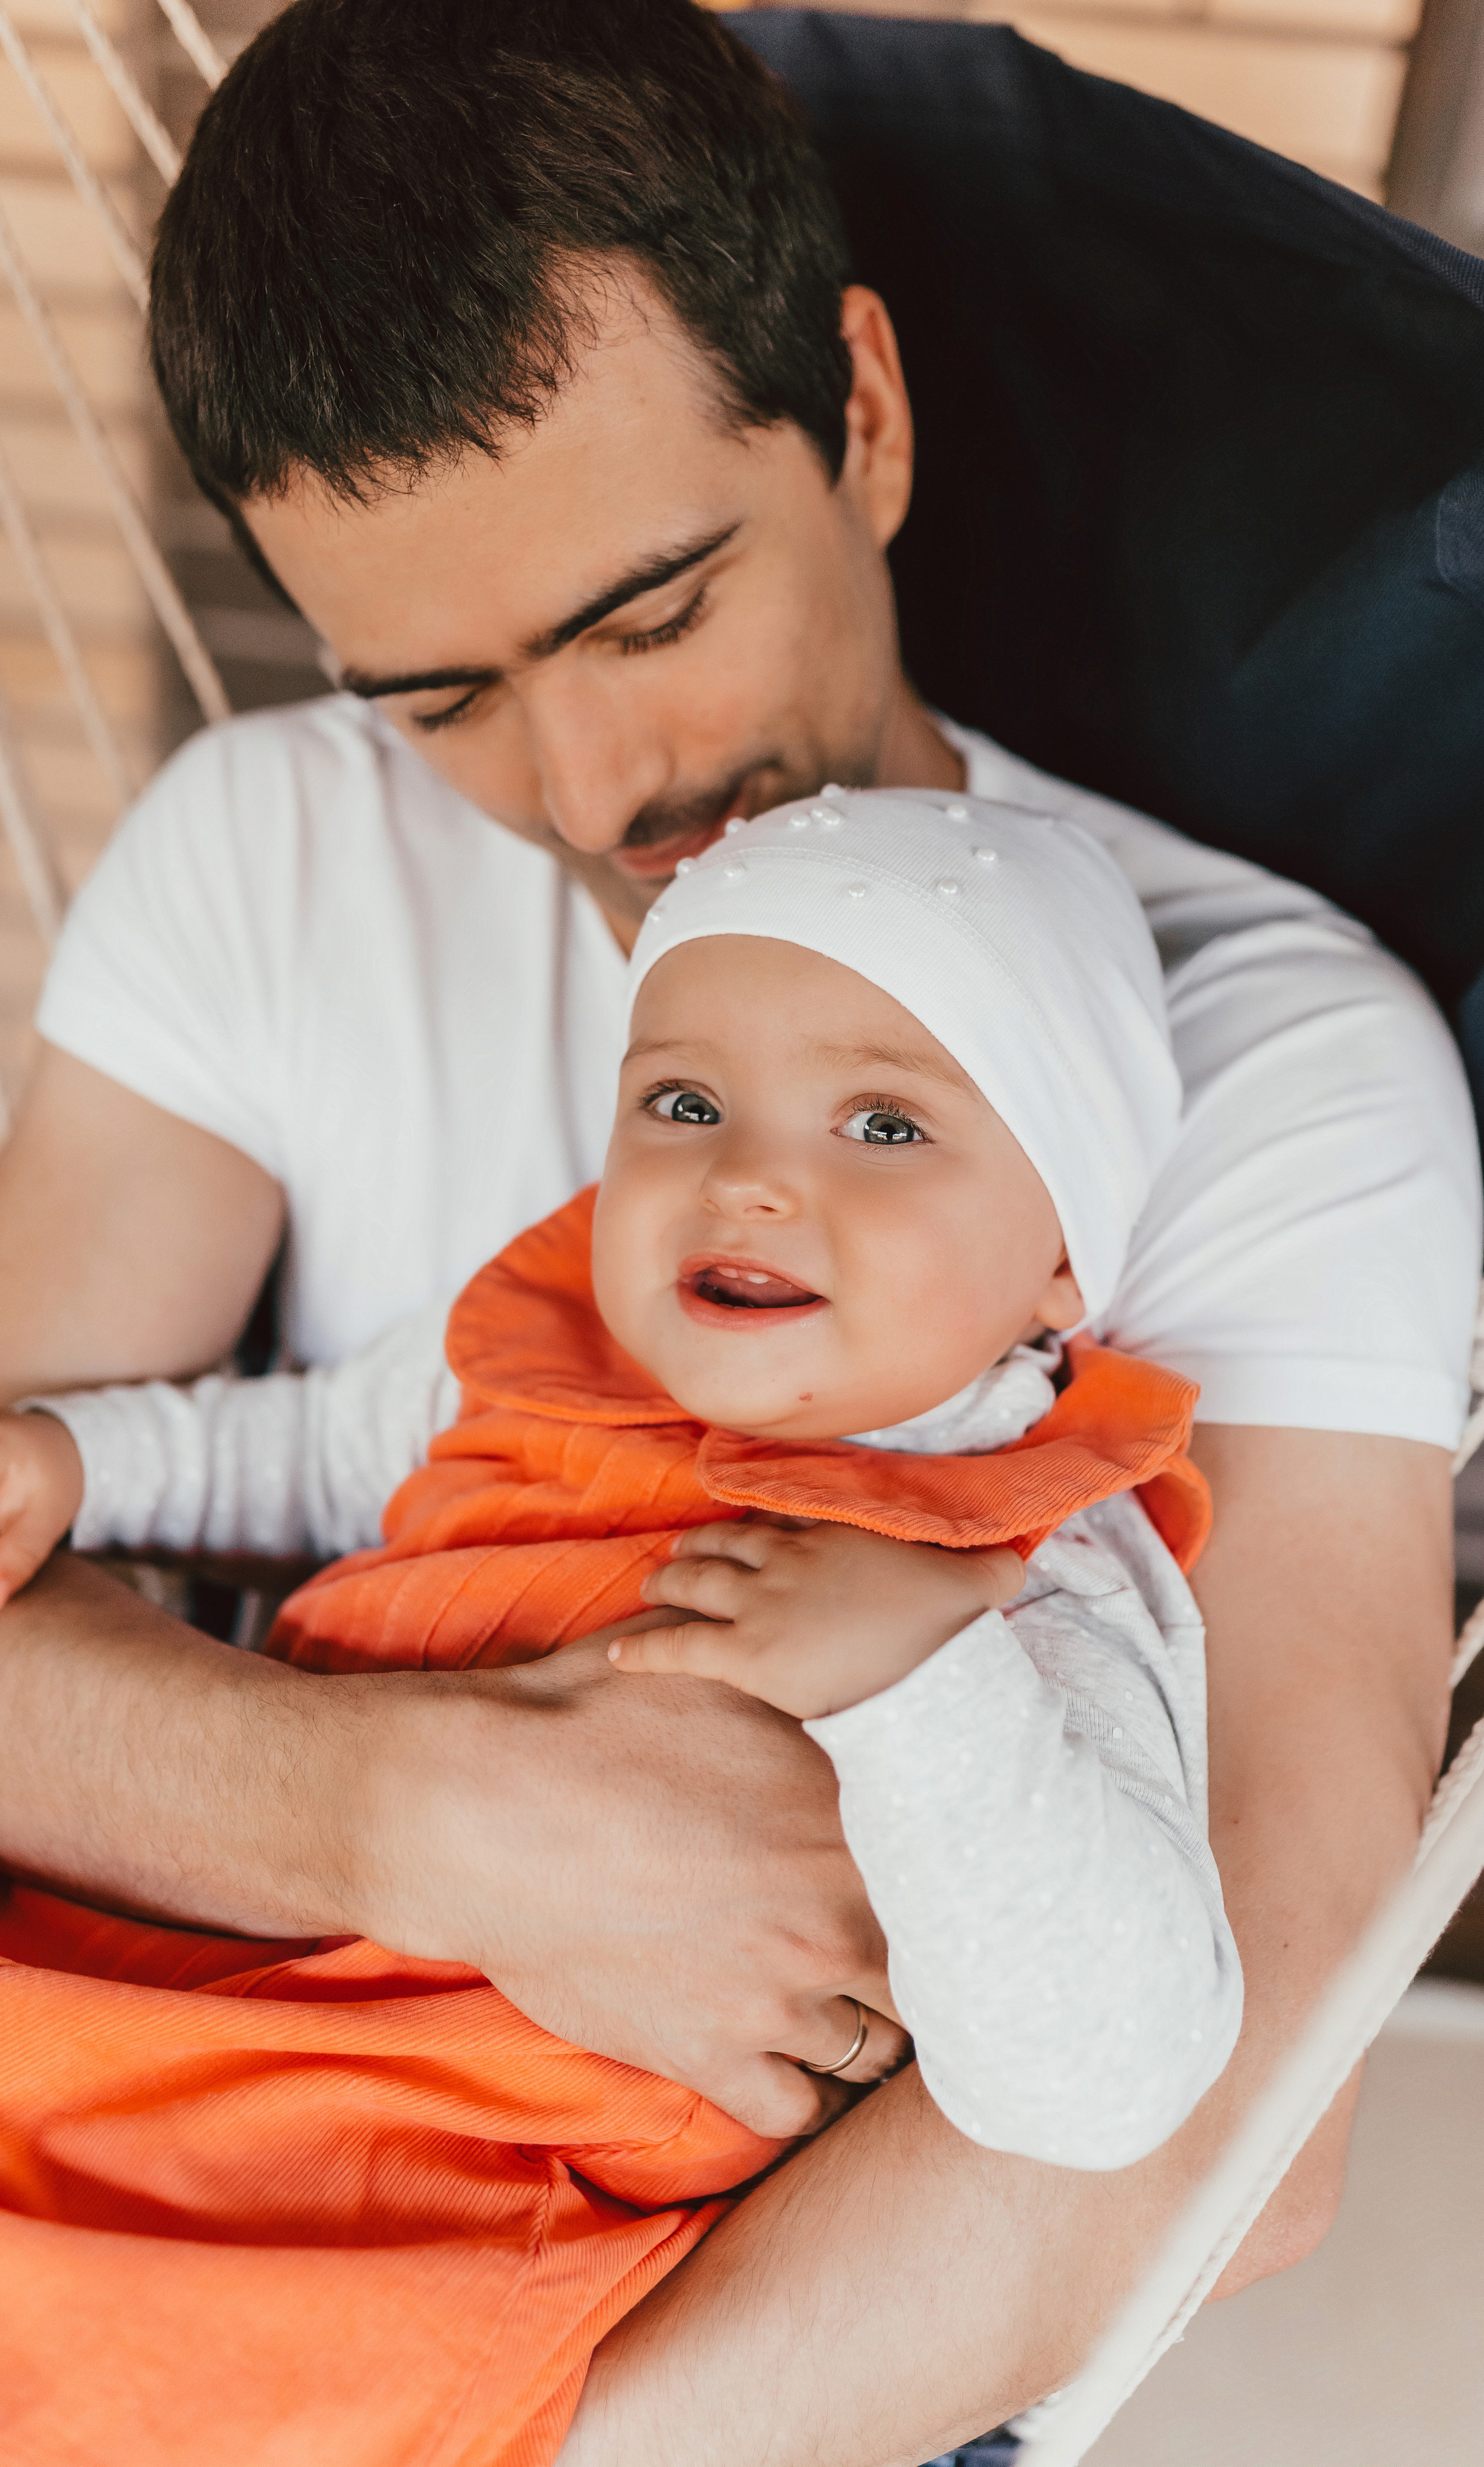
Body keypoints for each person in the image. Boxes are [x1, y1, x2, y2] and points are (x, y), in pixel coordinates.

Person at [0, 4, 1478, 2457]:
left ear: (863, 419)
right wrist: (427, 1820)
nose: (596, 790)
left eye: (650, 609)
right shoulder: (267, 858)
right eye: (439, 693)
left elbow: (1251, 2117)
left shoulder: (1255, 1057)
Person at [0, 795, 1244, 2460]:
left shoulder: (1028, 1571)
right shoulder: (543, 1347)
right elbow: (300, 1452)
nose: (750, 1178)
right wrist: (88, 1456)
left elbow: (1106, 2084)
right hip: (201, 1957)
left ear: (1061, 1260)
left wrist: (921, 1682)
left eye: (883, 1127)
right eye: (685, 1101)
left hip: (440, 2182)